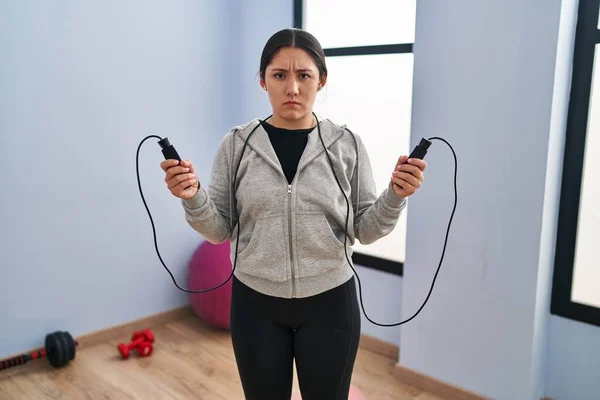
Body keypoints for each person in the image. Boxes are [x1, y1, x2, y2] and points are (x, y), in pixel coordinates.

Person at [160, 28, 426, 400]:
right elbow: (219, 230)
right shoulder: (236, 145)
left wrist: (396, 196)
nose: (293, 89)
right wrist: (192, 198)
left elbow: (365, 229)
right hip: (255, 304)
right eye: (279, 75)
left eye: (304, 76)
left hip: (332, 304)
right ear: (262, 80)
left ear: (322, 80)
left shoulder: (346, 145)